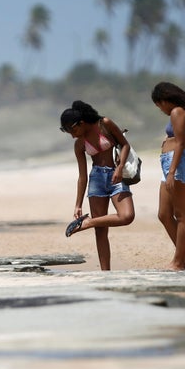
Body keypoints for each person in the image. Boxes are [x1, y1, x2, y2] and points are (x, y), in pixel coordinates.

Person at [60, 100, 135, 270]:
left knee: (127, 216)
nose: (72, 135)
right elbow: (82, 177)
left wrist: (120, 166)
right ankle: (105, 272)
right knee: (101, 231)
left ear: (81, 123)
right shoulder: (79, 144)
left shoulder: (105, 124)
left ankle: (87, 222)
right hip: (96, 180)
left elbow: (125, 144)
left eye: (73, 130)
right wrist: (77, 204)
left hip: (116, 176)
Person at [151, 81, 185, 270]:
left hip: (177, 165)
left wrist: (172, 172)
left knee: (181, 214)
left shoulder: (177, 112)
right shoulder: (184, 113)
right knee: (164, 214)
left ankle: (178, 261)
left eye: (158, 104)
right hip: (175, 164)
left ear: (165, 100)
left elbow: (180, 143)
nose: (159, 108)